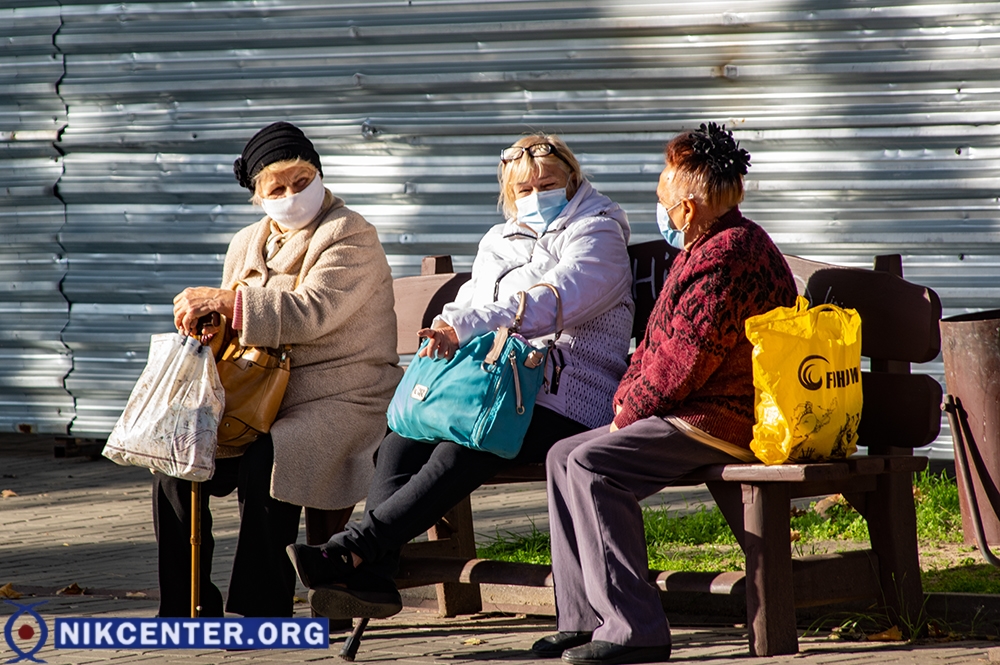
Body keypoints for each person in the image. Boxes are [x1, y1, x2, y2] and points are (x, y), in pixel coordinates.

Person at [286, 134, 635, 619]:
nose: (536, 196)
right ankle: (372, 576)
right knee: (400, 441)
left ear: (572, 179)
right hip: (494, 389)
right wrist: (449, 325)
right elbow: (468, 302)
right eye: (524, 190)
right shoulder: (498, 239)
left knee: (464, 446)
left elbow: (558, 298)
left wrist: (468, 324)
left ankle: (352, 550)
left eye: (548, 183)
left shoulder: (597, 232)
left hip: (567, 398)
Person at [533, 123, 798, 665]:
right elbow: (664, 350)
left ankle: (636, 629)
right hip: (695, 409)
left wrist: (627, 407)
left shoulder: (729, 255)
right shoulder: (708, 245)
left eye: (662, 200)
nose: (660, 209)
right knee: (561, 455)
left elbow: (683, 363)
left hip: (725, 417)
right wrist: (631, 398)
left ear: (687, 209)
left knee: (590, 465)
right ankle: (583, 618)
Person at [154, 121, 402, 618]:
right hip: (253, 400)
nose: (293, 194)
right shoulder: (246, 242)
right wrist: (207, 324)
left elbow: (314, 309)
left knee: (269, 457)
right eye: (277, 188)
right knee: (175, 463)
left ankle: (258, 610)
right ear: (258, 196)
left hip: (341, 396)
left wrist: (230, 302)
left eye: (302, 180)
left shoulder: (349, 232)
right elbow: (232, 330)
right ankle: (186, 609)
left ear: (320, 176)